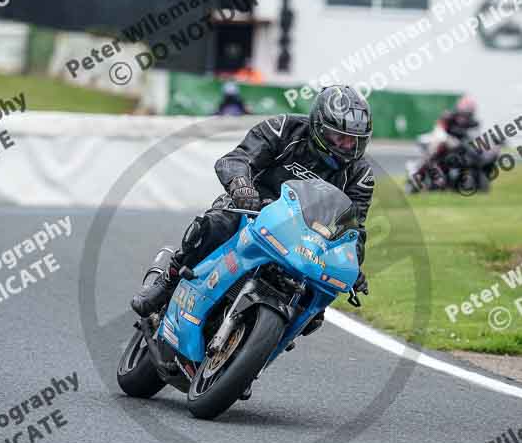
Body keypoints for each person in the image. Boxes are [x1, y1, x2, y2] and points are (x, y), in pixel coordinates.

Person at [131, 85, 375, 329]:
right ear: (319, 126)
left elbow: (354, 228)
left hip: (306, 239)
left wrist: (353, 264)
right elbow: (236, 159)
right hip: (252, 210)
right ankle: (168, 281)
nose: (347, 146)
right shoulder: (284, 129)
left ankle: (265, 341)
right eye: (340, 138)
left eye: (354, 141)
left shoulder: (360, 174)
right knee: (216, 225)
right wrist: (241, 186)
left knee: (315, 310)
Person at [413, 95, 479, 187]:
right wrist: (446, 138)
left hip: (461, 147)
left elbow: (475, 135)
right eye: (463, 114)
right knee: (435, 149)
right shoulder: (448, 117)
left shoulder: (474, 123)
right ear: (458, 110)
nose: (464, 117)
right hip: (445, 143)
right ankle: (419, 173)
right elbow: (439, 130)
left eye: (468, 114)